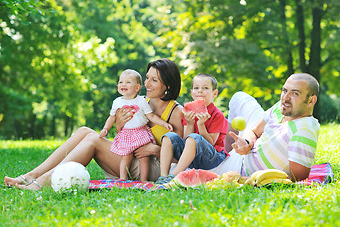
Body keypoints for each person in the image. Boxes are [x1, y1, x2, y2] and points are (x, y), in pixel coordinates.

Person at [4, 58, 183, 190]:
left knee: (93, 140)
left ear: (167, 85)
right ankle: (31, 175)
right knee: (84, 131)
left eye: (154, 80)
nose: (147, 84)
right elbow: (124, 133)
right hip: (131, 156)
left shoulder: (175, 112)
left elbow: (182, 156)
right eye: (147, 78)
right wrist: (119, 124)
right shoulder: (140, 101)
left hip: (153, 166)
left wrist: (154, 150)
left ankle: (40, 184)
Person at [211, 73, 320, 182]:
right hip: (246, 151)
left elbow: (297, 178)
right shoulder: (283, 107)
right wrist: (246, 142)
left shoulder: (304, 130)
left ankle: (223, 161)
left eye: (295, 93)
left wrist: (245, 180)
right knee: (239, 98)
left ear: (311, 101)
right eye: (285, 90)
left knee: (197, 171)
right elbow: (254, 131)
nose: (285, 98)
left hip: (240, 168)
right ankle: (224, 153)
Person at [99, 69, 173, 182]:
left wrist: (164, 124)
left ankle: (143, 180)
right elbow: (112, 117)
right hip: (126, 133)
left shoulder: (141, 101)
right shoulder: (117, 102)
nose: (123, 84)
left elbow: (151, 116)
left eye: (128, 82)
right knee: (126, 156)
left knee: (143, 157)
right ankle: (123, 178)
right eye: (120, 82)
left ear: (137, 87)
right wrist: (105, 128)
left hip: (140, 132)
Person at [156, 73, 228, 184]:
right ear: (192, 92)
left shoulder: (218, 115)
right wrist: (189, 123)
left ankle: (174, 177)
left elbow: (211, 143)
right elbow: (186, 140)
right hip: (192, 155)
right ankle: (163, 176)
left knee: (194, 137)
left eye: (205, 88)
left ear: (215, 93)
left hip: (212, 157)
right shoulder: (189, 112)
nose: (200, 91)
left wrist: (201, 125)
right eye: (196, 88)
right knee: (169, 136)